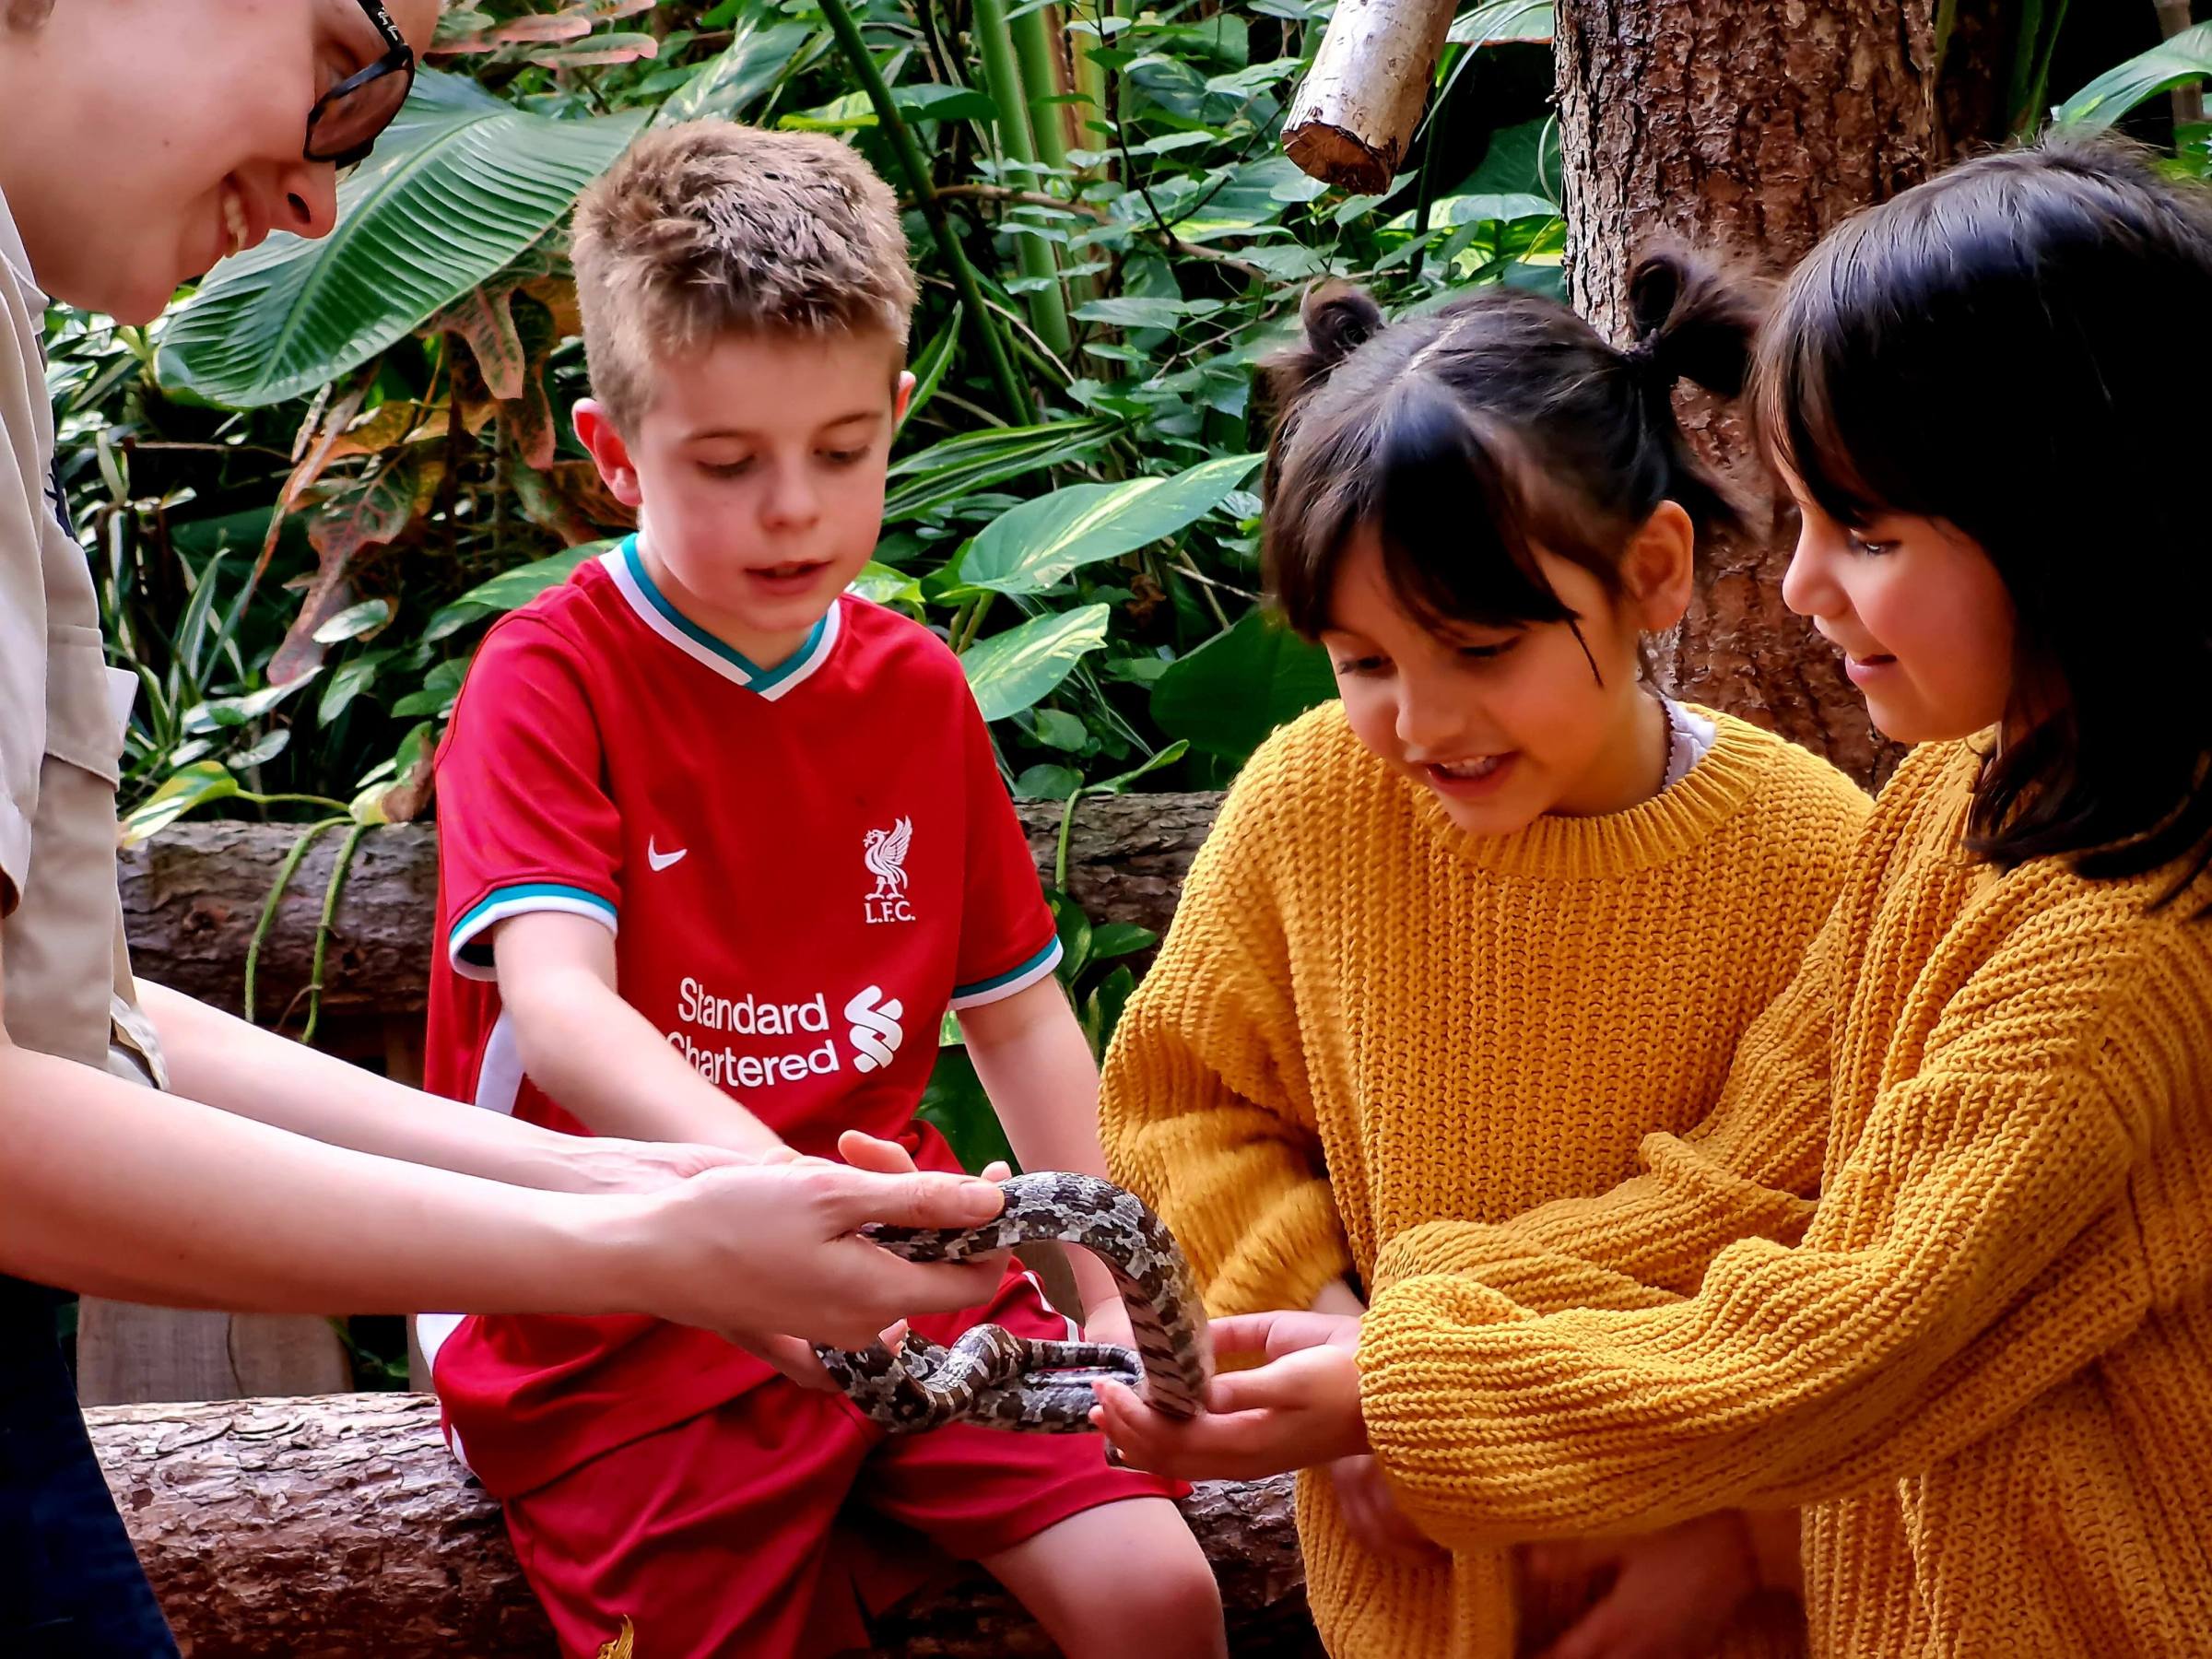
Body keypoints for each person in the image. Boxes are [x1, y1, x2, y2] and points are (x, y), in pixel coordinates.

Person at [1093, 135, 2212, 1657]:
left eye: (1865, 534)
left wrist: (1403, 1387)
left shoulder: (2119, 943)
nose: (1806, 587)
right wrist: (1399, 1336)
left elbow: (1854, 1329)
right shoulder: (1968, 797)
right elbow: (1755, 1168)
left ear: (2074, 521)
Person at [0, 6, 1014, 1653]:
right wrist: (649, 1236)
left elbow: (75, 1025)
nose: (333, 199)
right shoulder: (554, 667)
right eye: (341, 39)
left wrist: (639, 1203)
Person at [415, 120, 1226, 1659]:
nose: (794, 508)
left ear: (896, 418)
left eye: (841, 452)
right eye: (728, 465)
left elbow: (1021, 1018)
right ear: (611, 453)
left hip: (909, 1272)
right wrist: (800, 1215)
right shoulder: (550, 677)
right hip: (616, 1317)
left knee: (1159, 1598)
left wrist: (1110, 1289)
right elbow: (561, 1008)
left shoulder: (915, 689)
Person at [1096, 256, 1868, 1658]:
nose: (1422, 720)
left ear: (1652, 574)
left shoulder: (1815, 857)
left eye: (1479, 647)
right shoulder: (1311, 805)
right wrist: (1331, 1358)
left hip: (1723, 1591)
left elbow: (1852, 1254)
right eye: (1364, 660)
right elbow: (1185, 1107)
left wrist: (1736, 1534)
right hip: (1410, 1590)